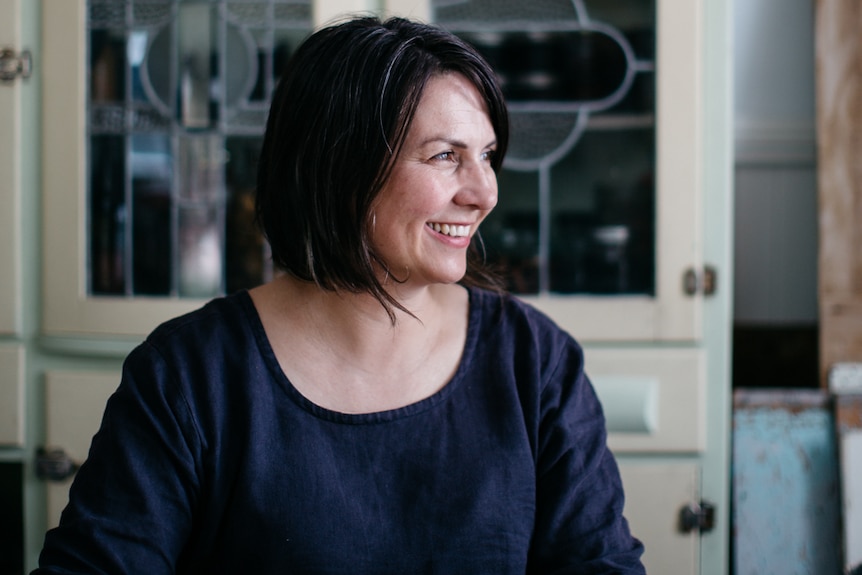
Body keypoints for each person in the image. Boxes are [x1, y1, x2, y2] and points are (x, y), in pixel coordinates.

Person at [34, 15, 645, 574]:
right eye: (444, 157)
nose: (483, 192)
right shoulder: (191, 374)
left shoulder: (534, 362)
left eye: (486, 156)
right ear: (339, 168)